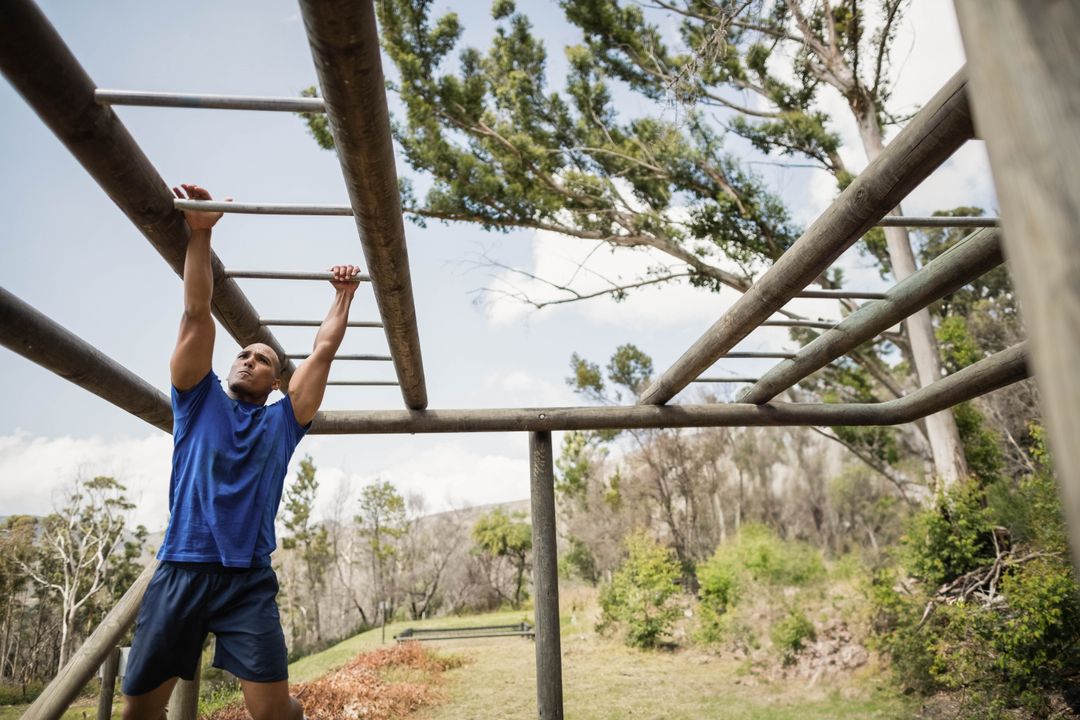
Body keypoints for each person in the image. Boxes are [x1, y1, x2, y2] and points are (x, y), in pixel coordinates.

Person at [122, 184, 359, 720]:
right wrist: (200, 234)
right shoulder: (195, 400)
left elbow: (322, 351)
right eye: (243, 354)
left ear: (278, 382)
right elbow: (197, 311)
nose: (248, 360)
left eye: (262, 358)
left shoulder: (283, 421)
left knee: (274, 714)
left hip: (246, 579)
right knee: (139, 711)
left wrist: (343, 295)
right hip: (180, 569)